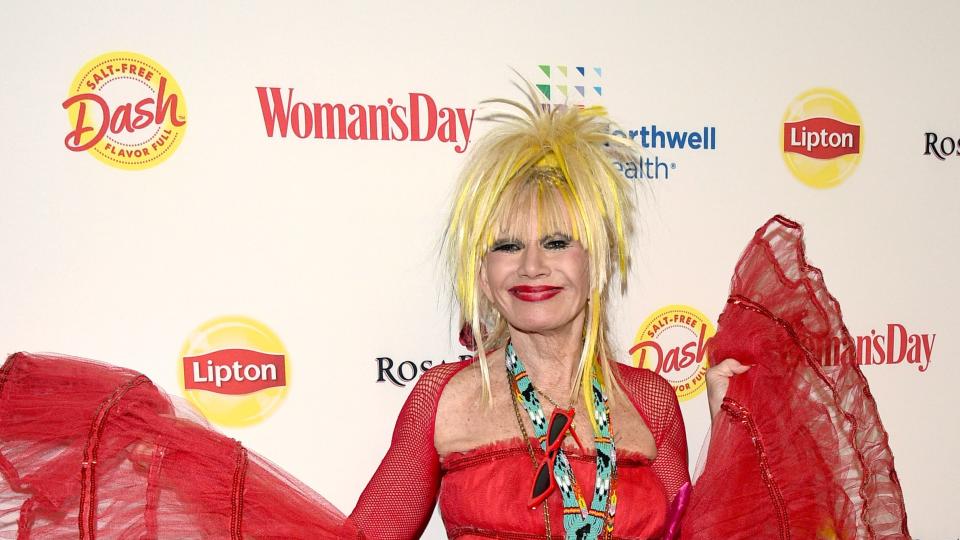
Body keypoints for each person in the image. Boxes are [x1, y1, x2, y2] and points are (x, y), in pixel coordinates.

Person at [0, 86, 908, 539]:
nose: (532, 267)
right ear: (481, 265)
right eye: (506, 245)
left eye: (557, 242)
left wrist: (740, 421)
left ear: (598, 261)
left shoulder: (651, 402)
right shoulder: (444, 399)